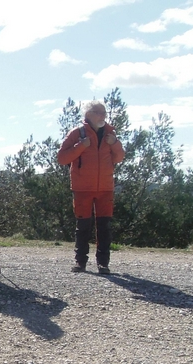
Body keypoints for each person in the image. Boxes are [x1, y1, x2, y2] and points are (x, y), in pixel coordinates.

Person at [57, 100, 126, 274]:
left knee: (104, 227)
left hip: (105, 188)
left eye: (104, 113)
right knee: (83, 227)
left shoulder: (111, 133)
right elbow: (62, 158)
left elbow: (119, 158)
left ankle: (103, 264)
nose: (103, 116)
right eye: (99, 112)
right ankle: (80, 262)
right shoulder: (77, 133)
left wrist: (115, 143)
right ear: (88, 115)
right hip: (82, 188)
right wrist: (81, 146)